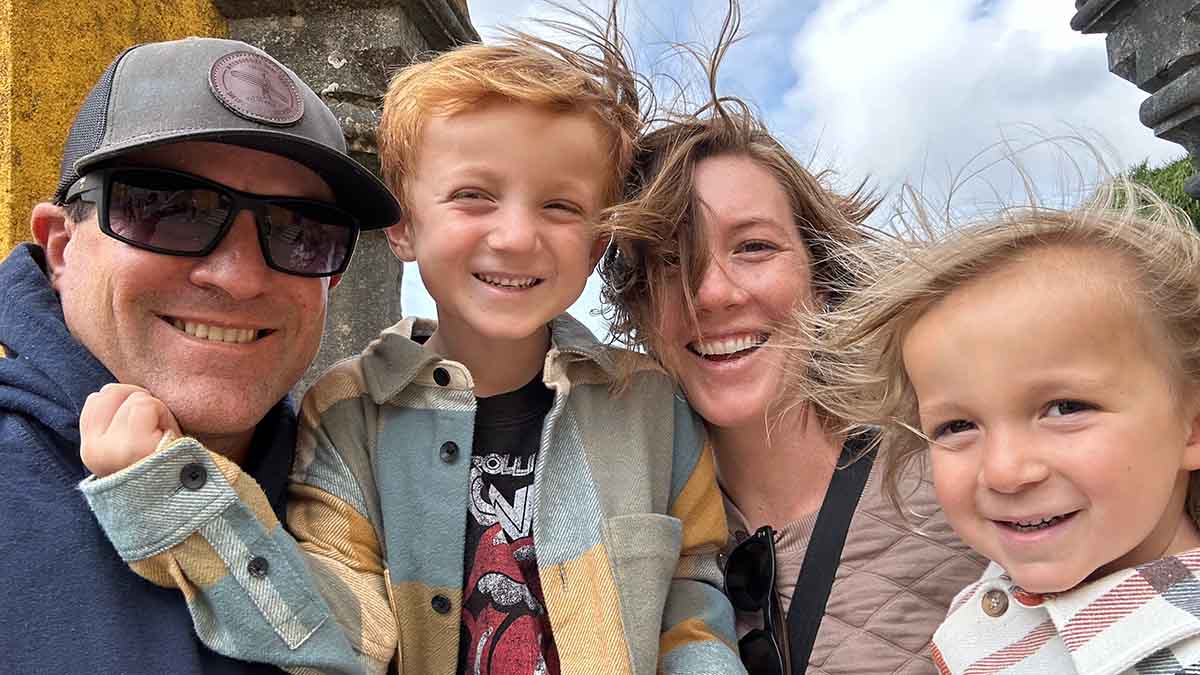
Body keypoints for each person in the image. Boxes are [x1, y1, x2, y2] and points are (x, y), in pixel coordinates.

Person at [79, 26, 745, 675]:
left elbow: (691, 595)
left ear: (597, 244)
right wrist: (176, 492)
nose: (517, 236)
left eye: (560, 207)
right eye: (473, 196)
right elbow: (341, 641)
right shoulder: (347, 413)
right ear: (402, 227)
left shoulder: (652, 405)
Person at [0, 37, 399, 673]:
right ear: (60, 247)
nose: (238, 278)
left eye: (300, 231)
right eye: (171, 210)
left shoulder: (375, 497)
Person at [599, 17, 984, 674]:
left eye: (754, 246)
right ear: (637, 308)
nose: (711, 293)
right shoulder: (628, 533)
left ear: (819, 276)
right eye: (669, 260)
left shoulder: (962, 482)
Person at [796, 180, 1200, 674]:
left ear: (1192, 426)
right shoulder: (1008, 590)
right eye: (957, 426)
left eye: (1065, 408)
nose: (1004, 471)